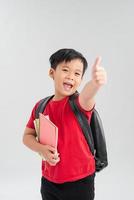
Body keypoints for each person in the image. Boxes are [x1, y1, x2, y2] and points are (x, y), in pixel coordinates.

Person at [23, 48, 107, 200]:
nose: (71, 77)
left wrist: (95, 84)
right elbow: (27, 136)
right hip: (49, 180)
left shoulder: (80, 104)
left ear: (81, 80)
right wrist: (41, 148)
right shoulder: (40, 106)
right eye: (66, 70)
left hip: (81, 181)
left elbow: (88, 95)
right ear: (52, 73)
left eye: (77, 74)